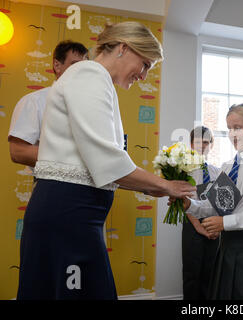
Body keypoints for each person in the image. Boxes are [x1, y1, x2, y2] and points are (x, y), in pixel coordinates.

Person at [16, 21, 196, 300]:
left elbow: (96, 166)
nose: (144, 76)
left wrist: (154, 188)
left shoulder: (95, 81)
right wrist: (165, 184)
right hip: (69, 216)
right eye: (145, 64)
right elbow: (105, 160)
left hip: (76, 216)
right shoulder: (88, 74)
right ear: (124, 48)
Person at [175, 102, 243, 299]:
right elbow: (216, 205)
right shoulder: (229, 165)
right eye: (229, 129)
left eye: (238, 128)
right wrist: (191, 206)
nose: (232, 134)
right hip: (227, 248)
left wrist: (225, 223)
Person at [8, 40, 88, 169]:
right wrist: (79, 160)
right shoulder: (35, 101)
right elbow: (18, 152)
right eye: (75, 65)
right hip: (52, 184)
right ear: (57, 65)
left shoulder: (91, 104)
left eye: (85, 67)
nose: (82, 72)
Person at [182, 126, 221, 300]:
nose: (203, 146)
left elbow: (220, 202)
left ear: (211, 145)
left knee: (210, 272)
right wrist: (198, 227)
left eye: (206, 142)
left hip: (213, 225)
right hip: (192, 225)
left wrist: (216, 227)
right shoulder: (184, 169)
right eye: (199, 142)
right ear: (191, 144)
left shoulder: (216, 172)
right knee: (192, 273)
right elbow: (182, 201)